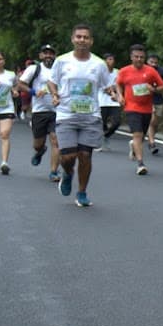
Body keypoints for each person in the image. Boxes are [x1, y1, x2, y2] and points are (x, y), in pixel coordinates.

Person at [46, 24, 113, 207]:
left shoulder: (99, 64)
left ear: (91, 41)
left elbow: (107, 85)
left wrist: (114, 94)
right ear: (72, 39)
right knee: (68, 157)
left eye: (86, 37)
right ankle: (68, 173)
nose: (82, 40)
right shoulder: (62, 61)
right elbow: (51, 82)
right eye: (79, 36)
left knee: (85, 155)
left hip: (91, 116)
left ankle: (82, 192)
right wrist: (54, 94)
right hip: (66, 115)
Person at [116, 44, 163, 175]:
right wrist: (120, 95)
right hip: (131, 107)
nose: (139, 59)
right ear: (131, 57)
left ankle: (134, 146)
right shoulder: (124, 71)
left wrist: (154, 89)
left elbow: (162, 86)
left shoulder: (151, 71)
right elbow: (118, 84)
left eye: (142, 57)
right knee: (137, 134)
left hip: (147, 108)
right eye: (136, 57)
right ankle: (141, 164)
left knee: (141, 136)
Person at [18, 43, 62, 182]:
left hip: (57, 111)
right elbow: (20, 84)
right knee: (38, 144)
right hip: (39, 111)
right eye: (45, 53)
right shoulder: (34, 69)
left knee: (56, 141)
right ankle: (40, 151)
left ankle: (54, 172)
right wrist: (34, 92)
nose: (48, 56)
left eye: (51, 53)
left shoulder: (60, 69)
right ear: (41, 55)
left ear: (54, 55)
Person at [145, 53, 163, 155]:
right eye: (151, 62)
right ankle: (152, 143)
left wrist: (159, 86)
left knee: (155, 123)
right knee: (151, 120)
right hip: (146, 99)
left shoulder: (162, 71)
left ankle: (150, 138)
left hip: (158, 99)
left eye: (155, 63)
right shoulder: (142, 70)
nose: (153, 64)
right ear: (147, 62)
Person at [97, 52, 123, 151]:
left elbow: (120, 85)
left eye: (113, 59)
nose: (112, 61)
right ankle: (100, 142)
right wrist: (109, 90)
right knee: (101, 122)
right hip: (102, 101)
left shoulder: (118, 72)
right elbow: (100, 85)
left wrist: (115, 90)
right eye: (109, 59)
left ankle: (106, 135)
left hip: (114, 101)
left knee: (117, 122)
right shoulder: (100, 72)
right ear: (105, 61)